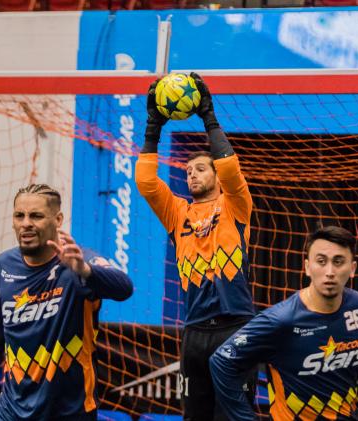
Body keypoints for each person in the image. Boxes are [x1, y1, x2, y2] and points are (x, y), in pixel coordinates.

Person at [0, 183, 133, 421]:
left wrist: (86, 271)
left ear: (57, 220)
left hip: (68, 413)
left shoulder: (78, 262)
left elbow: (124, 288)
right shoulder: (3, 266)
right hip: (9, 411)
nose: (26, 223)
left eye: (36, 216)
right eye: (20, 215)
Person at [135, 73, 257, 420]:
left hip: (236, 327)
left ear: (216, 176)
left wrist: (208, 117)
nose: (192, 174)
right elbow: (145, 182)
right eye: (188, 170)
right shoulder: (178, 213)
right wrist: (153, 126)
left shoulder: (236, 205)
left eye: (201, 168)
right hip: (194, 332)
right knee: (195, 415)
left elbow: (231, 170)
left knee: (235, 416)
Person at [210, 226, 358, 421]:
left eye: (338, 262)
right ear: (307, 267)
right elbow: (221, 361)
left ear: (352, 269)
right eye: (321, 261)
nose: (330, 272)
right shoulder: (280, 320)